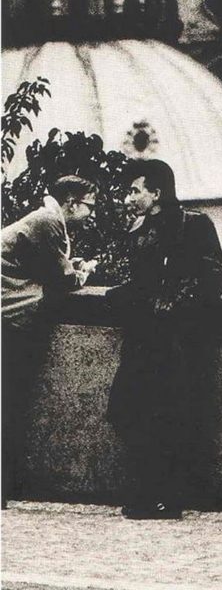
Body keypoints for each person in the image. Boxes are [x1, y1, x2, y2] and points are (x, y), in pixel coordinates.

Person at [106, 159, 222, 520]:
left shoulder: (194, 224)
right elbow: (142, 284)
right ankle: (146, 494)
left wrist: (174, 303)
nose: (128, 198)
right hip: (144, 341)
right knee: (134, 414)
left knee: (171, 417)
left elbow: (212, 275)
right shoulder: (140, 231)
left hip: (177, 343)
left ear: (156, 193)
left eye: (134, 190)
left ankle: (168, 498)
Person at [1, 175, 99, 504]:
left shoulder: (45, 220)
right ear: (71, 202)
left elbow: (46, 267)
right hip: (10, 316)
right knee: (9, 401)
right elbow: (65, 280)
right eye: (89, 206)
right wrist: (86, 271)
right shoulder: (49, 222)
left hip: (10, 312)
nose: (90, 213)